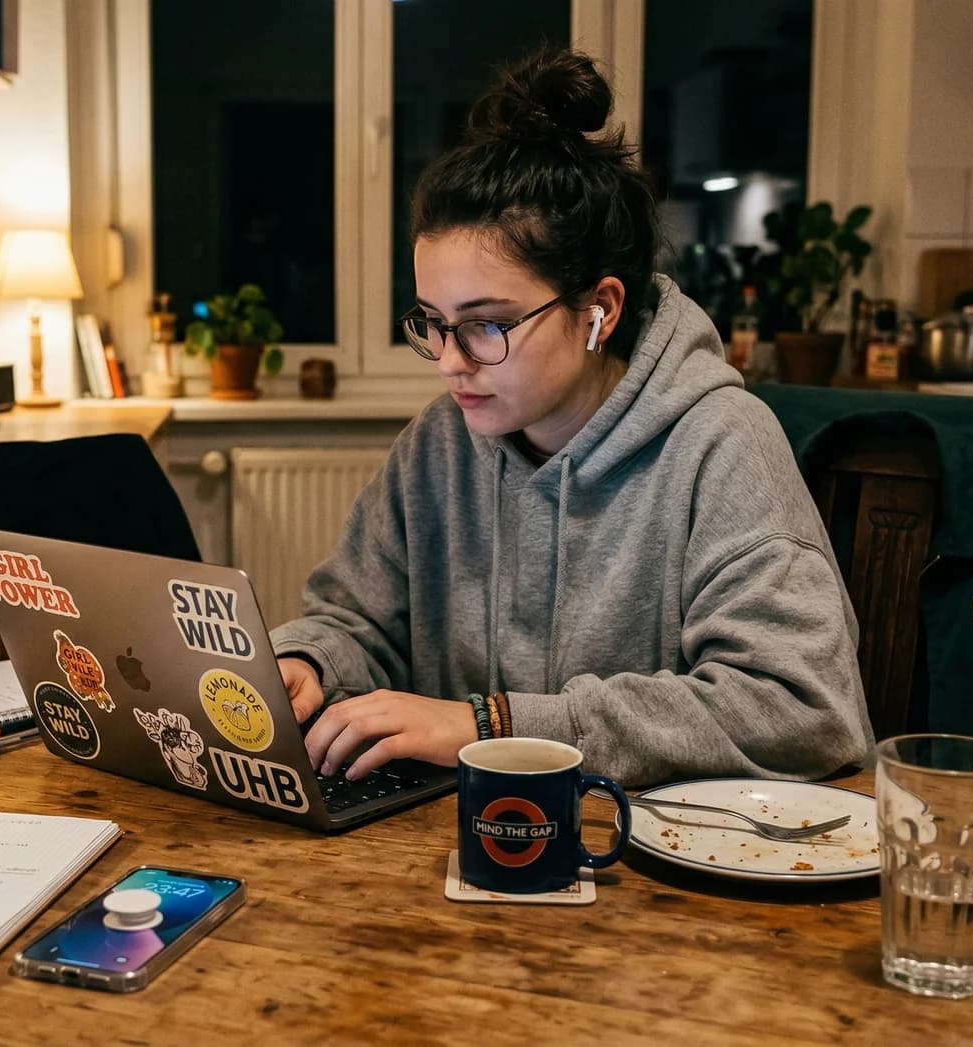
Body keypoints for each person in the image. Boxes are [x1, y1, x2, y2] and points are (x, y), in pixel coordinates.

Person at [266, 49, 874, 789]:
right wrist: (308, 662)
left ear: (600, 310)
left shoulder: (721, 444)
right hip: (465, 832)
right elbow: (357, 621)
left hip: (645, 846)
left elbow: (802, 707)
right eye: (433, 322)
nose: (451, 362)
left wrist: (498, 727)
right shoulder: (438, 442)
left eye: (487, 325)